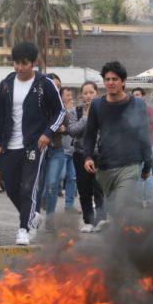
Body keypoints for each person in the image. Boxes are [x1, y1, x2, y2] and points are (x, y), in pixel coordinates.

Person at [0, 42, 65, 246]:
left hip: (34, 145)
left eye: (24, 63)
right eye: (16, 63)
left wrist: (47, 133)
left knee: (27, 188)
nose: (20, 68)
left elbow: (60, 112)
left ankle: (23, 228)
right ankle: (32, 215)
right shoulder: (6, 84)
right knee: (11, 186)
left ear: (33, 63)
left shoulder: (44, 84)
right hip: (8, 146)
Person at [83, 61, 152, 216]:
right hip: (105, 167)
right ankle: (131, 231)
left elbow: (144, 136)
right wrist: (87, 157)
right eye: (107, 79)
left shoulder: (138, 104)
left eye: (115, 79)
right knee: (114, 210)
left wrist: (147, 165)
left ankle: (133, 232)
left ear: (123, 82)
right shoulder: (97, 105)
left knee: (122, 205)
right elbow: (90, 135)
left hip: (130, 165)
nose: (111, 83)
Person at [67, 81, 106, 233]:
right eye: (85, 93)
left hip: (100, 154)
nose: (88, 95)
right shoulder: (74, 112)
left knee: (99, 188)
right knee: (84, 189)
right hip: (80, 154)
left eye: (91, 92)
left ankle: (101, 219)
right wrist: (85, 117)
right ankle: (88, 221)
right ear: (81, 95)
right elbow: (72, 131)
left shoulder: (104, 110)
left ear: (97, 93)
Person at [42, 86, 76, 231]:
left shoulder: (63, 110)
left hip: (57, 149)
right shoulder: (39, 105)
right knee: (41, 185)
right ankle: (36, 212)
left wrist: (63, 127)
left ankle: (50, 218)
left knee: (53, 182)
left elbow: (68, 127)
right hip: (40, 149)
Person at [131, 87, 153, 206]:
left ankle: (149, 201)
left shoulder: (148, 110)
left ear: (143, 96)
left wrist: (146, 128)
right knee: (137, 177)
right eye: (133, 95)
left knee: (147, 175)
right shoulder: (130, 110)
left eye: (138, 94)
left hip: (146, 146)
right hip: (132, 148)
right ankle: (139, 202)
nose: (135, 97)